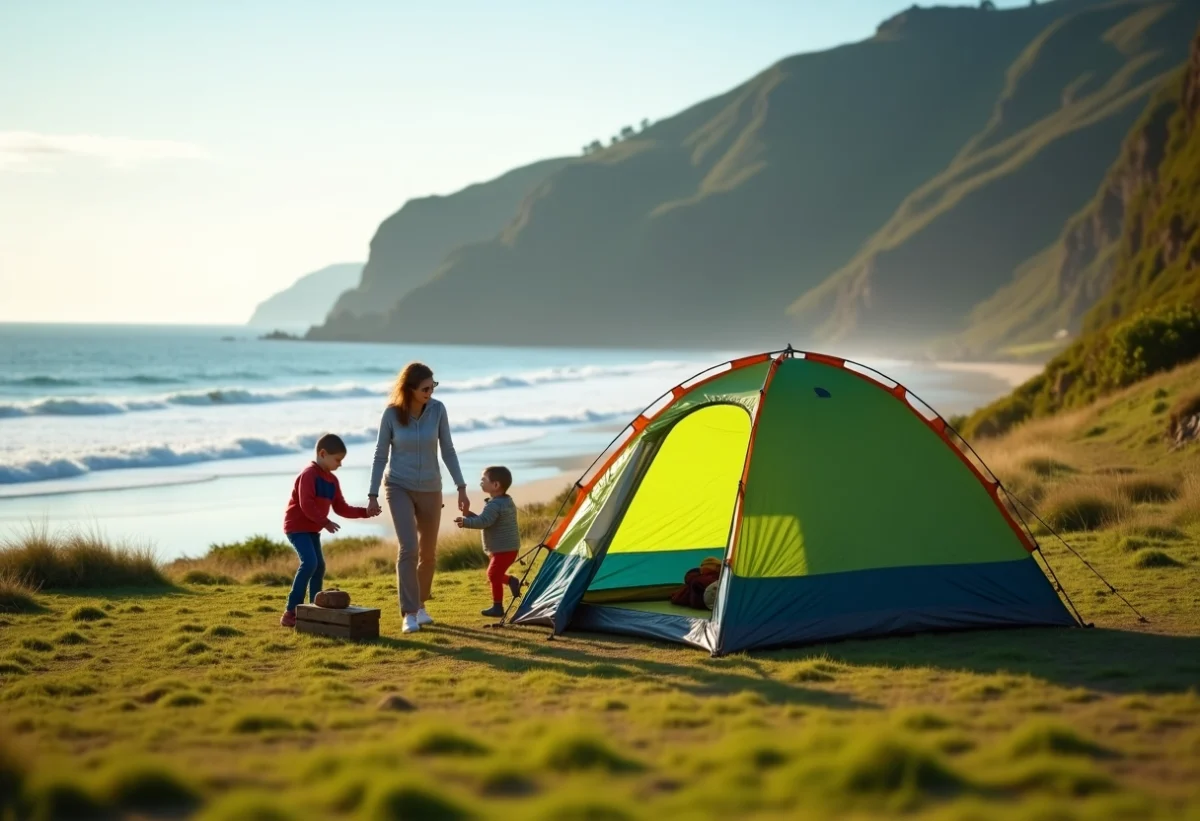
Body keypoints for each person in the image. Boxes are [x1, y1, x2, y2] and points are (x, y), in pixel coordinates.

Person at [367, 362, 469, 634]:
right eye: (425, 388)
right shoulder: (391, 415)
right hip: (398, 485)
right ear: (410, 389)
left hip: (431, 488)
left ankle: (421, 605)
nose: (430, 392)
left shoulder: (438, 410)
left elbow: (448, 449)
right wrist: (373, 494)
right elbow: (380, 455)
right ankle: (409, 612)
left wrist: (461, 486)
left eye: (433, 386)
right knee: (409, 548)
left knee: (429, 553)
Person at [280, 433, 376, 628]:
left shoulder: (332, 481)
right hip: (297, 527)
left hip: (312, 529)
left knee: (319, 566)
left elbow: (341, 508)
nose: (340, 464)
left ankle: (316, 608)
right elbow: (305, 504)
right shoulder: (308, 475)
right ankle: (290, 611)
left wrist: (365, 512)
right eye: (337, 460)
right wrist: (325, 522)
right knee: (309, 563)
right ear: (323, 454)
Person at [455, 466, 522, 618]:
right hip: (506, 548)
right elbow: (486, 520)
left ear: (496, 485)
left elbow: (483, 522)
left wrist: (466, 522)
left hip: (504, 549)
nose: (480, 483)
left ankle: (498, 607)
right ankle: (511, 581)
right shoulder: (504, 501)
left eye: (483, 480)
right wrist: (468, 514)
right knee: (496, 574)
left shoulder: (495, 505)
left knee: (492, 574)